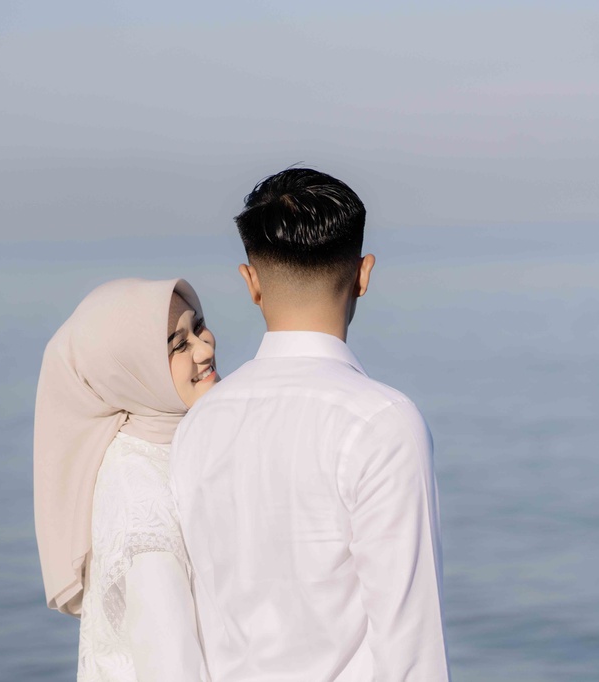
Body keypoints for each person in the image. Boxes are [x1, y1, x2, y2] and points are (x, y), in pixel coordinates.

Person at [170, 169, 450, 680]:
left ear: (251, 283)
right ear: (363, 275)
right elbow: (410, 650)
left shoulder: (197, 424)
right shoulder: (383, 423)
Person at [33, 278, 216, 682]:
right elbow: (170, 669)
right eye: (178, 345)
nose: (204, 349)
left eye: (199, 327)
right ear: (131, 372)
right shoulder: (140, 499)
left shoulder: (173, 444)